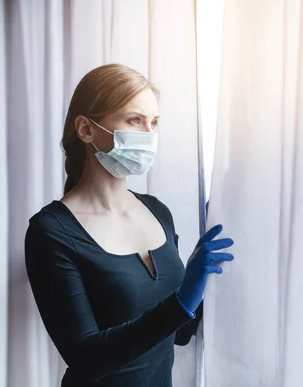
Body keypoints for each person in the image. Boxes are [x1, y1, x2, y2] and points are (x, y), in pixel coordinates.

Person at [24, 64, 235, 387]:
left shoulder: (157, 212)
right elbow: (86, 356)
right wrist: (182, 301)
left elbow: (178, 334)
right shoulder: (50, 232)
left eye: (154, 123)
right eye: (134, 121)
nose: (148, 136)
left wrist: (205, 277)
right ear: (86, 130)